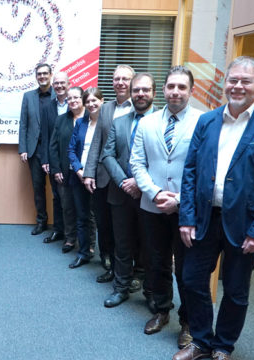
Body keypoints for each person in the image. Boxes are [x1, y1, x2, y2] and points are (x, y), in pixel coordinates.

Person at [174, 56, 254, 360]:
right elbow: (190, 172)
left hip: (245, 225)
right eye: (233, 80)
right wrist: (187, 217)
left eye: (245, 81)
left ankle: (223, 346)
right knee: (191, 280)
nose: (237, 86)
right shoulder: (207, 120)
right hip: (204, 219)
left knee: (237, 290)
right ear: (224, 83)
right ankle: (201, 340)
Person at [129, 66, 203, 349]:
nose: (176, 92)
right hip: (152, 206)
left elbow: (204, 167)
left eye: (182, 87)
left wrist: (180, 199)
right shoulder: (147, 123)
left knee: (186, 269)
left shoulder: (202, 122)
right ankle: (162, 310)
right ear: (164, 90)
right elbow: (137, 163)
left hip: (186, 210)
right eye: (171, 86)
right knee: (156, 262)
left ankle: (188, 322)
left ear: (191, 91)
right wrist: (156, 192)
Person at [100, 72, 157, 309]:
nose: (140, 94)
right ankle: (120, 288)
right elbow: (107, 154)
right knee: (122, 245)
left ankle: (153, 294)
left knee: (151, 248)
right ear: (131, 94)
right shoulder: (119, 122)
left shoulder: (162, 122)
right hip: (121, 194)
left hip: (151, 196)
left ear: (154, 93)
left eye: (145, 90)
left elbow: (166, 161)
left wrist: (140, 184)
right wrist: (125, 181)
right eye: (136, 90)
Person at [83, 65, 135, 283]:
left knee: (128, 231)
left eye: (125, 79)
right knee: (105, 227)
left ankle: (131, 274)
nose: (120, 82)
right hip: (104, 179)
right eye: (116, 79)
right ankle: (112, 268)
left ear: (133, 82)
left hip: (131, 181)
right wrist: (89, 173)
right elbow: (97, 142)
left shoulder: (142, 108)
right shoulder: (105, 109)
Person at [66, 87, 103, 269]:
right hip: (79, 178)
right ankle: (83, 253)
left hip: (99, 179)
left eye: (94, 100)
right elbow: (71, 150)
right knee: (82, 217)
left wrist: (91, 173)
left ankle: (106, 258)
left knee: (101, 219)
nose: (91, 104)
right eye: (88, 101)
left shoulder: (108, 123)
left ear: (102, 101)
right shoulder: (80, 123)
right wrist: (79, 171)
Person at [18, 63, 57, 236]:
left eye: (45, 73)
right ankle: (41, 221)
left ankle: (60, 225)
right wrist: (23, 148)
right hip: (35, 150)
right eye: (39, 74)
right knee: (38, 188)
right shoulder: (28, 97)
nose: (42, 76)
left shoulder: (60, 95)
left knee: (58, 189)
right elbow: (23, 124)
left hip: (55, 149)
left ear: (51, 75)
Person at [49, 86, 85, 254]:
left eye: (76, 97)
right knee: (67, 206)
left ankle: (88, 243)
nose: (72, 101)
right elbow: (53, 147)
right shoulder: (61, 120)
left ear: (83, 98)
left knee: (86, 210)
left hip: (86, 173)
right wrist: (56, 169)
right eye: (69, 99)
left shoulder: (90, 118)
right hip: (65, 171)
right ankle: (70, 239)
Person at [42, 72, 70, 243]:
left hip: (72, 159)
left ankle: (70, 233)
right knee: (57, 195)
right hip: (54, 159)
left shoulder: (77, 103)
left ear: (69, 84)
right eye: (56, 83)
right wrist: (46, 159)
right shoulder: (48, 107)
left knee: (71, 199)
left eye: (62, 83)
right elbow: (45, 136)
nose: (59, 86)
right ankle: (58, 230)